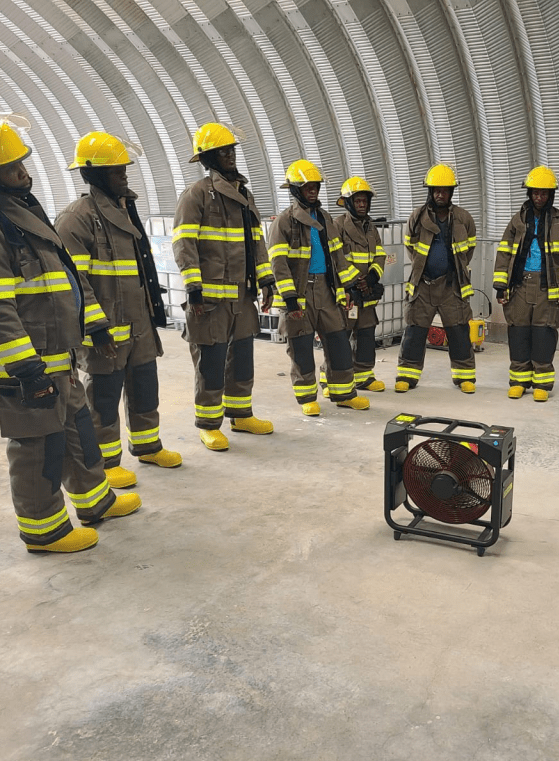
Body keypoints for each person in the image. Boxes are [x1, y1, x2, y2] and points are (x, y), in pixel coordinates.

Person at [0, 114, 142, 554]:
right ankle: (43, 530)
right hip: (25, 363)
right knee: (37, 444)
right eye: (13, 169)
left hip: (56, 351)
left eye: (22, 165)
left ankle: (94, 502)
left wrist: (90, 326)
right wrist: (27, 370)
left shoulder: (14, 212)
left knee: (76, 430)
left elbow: (62, 278)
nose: (24, 175)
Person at [55, 131, 181, 490]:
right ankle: (107, 464)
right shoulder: (77, 219)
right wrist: (95, 327)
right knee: (103, 398)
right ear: (92, 175)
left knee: (145, 388)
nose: (125, 175)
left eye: (124, 168)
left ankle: (147, 446)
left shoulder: (126, 208)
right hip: (105, 329)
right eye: (116, 170)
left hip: (137, 324)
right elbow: (74, 281)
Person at [172, 123, 276, 451]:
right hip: (210, 300)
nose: (230, 155)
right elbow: (184, 244)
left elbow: (256, 242)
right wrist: (193, 289)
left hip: (243, 297)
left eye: (232, 149)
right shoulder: (197, 194)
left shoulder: (245, 195)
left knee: (242, 358)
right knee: (211, 362)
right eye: (222, 150)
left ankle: (241, 413)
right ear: (207, 158)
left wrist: (266, 280)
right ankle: (208, 424)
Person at [268, 159, 370, 416]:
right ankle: (306, 398)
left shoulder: (325, 218)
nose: (312, 190)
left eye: (315, 186)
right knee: (301, 346)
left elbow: (337, 256)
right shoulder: (284, 221)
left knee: (338, 342)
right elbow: (278, 262)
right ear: (295, 189)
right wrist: (289, 297)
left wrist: (348, 286)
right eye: (307, 186)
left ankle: (344, 393)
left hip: (326, 289)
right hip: (300, 294)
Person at [493, 166, 559, 402]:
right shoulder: (517, 220)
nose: (539, 198)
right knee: (518, 331)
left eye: (544, 193)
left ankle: (542, 382)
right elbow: (504, 253)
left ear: (551, 195)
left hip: (547, 285)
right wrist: (501, 285)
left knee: (544, 332)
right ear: (529, 193)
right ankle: (519, 380)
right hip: (519, 285)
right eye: (535, 193)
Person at [395, 164, 478, 394]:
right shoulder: (417, 216)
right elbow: (410, 247)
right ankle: (407, 375)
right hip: (423, 284)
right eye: (436, 190)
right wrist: (425, 268)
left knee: (459, 331)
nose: (440, 194)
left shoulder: (463, 218)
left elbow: (469, 249)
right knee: (415, 330)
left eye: (445, 190)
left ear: (451, 192)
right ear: (430, 192)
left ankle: (464, 377)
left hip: (452, 285)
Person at [329, 176, 387, 393]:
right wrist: (356, 282)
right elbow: (338, 258)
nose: (362, 205)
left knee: (366, 333)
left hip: (367, 292)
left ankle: (364, 376)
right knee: (340, 336)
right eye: (358, 201)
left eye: (365, 201)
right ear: (348, 203)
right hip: (348, 291)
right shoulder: (337, 225)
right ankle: (331, 379)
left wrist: (372, 277)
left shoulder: (371, 227)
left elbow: (380, 254)